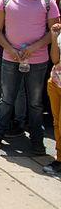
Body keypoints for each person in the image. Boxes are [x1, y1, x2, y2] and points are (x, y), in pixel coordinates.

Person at [0, 0, 60, 154]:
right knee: (7, 98)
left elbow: (54, 31)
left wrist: (34, 48)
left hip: (38, 61)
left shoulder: (47, 1)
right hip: (10, 58)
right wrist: (10, 49)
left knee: (35, 103)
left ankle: (37, 140)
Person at [44, 22, 61, 176]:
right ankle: (59, 157)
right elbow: (55, 59)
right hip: (55, 82)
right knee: (56, 123)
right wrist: (55, 37)